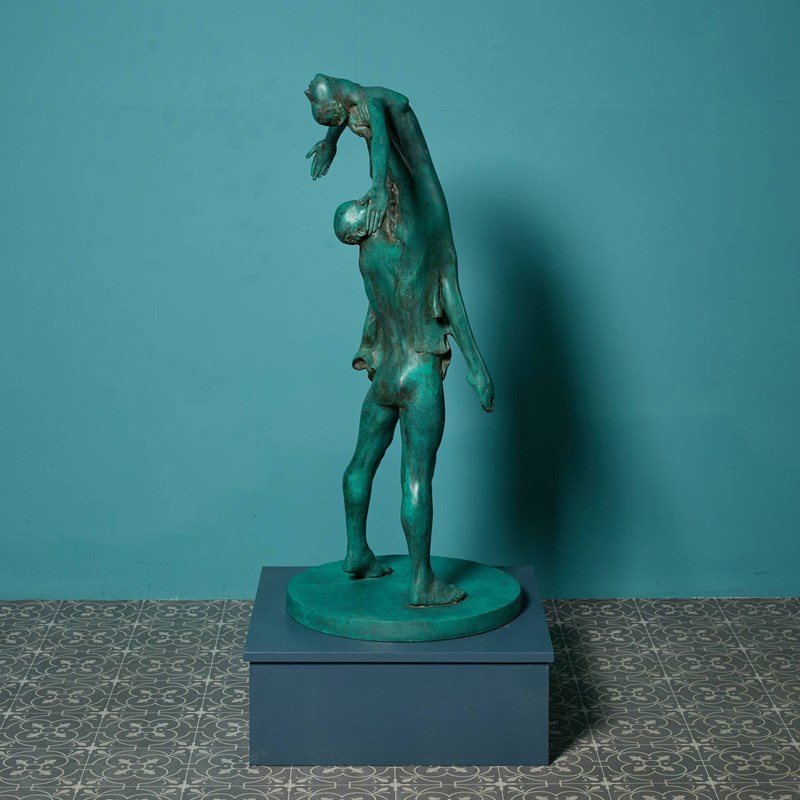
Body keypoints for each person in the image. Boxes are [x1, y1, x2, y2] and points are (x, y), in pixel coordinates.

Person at [306, 74, 494, 606]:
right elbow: (451, 296)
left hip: (385, 372)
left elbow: (374, 131)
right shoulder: (420, 243)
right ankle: (422, 582)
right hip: (419, 373)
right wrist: (477, 366)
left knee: (361, 462)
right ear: (364, 219)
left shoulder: (370, 258)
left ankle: (356, 552)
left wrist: (332, 141)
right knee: (416, 477)